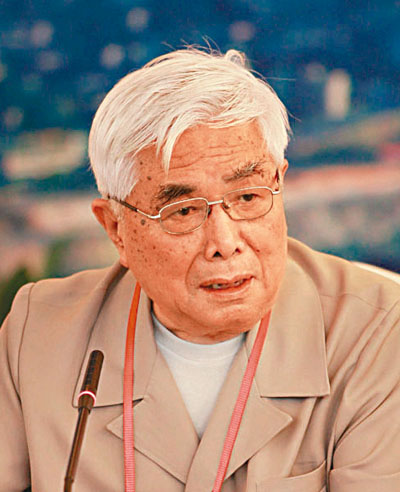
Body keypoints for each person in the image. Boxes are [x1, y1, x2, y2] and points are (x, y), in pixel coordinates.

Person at [1, 48, 400, 492]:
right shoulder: (36, 333)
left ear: (280, 184)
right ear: (116, 228)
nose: (224, 243)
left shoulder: (376, 332)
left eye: (247, 198)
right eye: (183, 211)